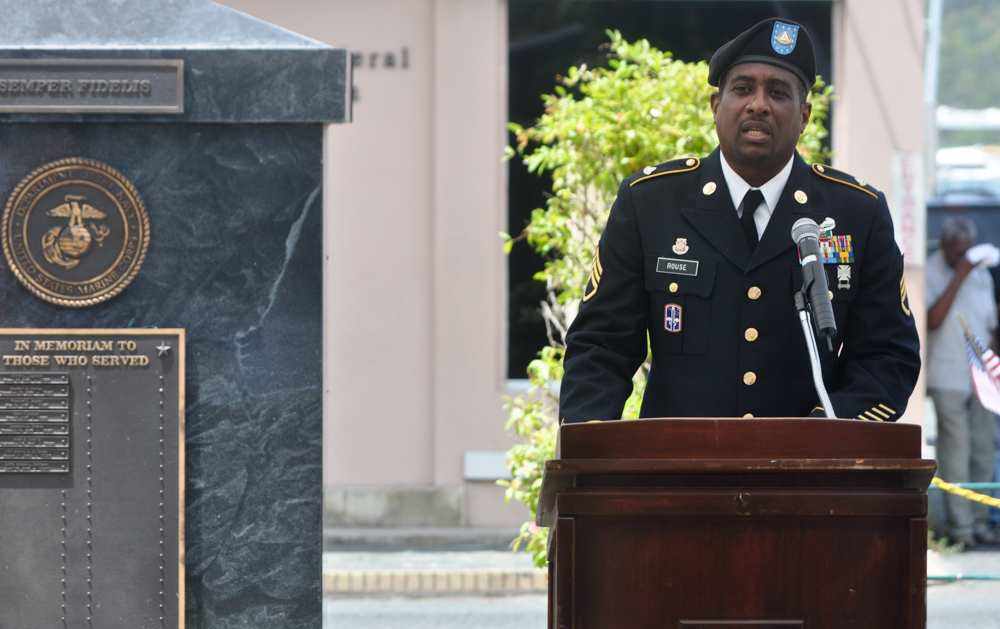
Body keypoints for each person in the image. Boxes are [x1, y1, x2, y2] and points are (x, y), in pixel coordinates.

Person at [558, 18, 920, 424]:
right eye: (743, 89)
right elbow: (600, 347)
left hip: (806, 478)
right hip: (678, 474)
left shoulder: (858, 213)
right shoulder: (650, 203)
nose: (758, 104)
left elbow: (887, 356)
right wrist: (587, 452)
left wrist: (826, 431)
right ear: (716, 107)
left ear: (804, 117)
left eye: (778, 93)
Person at [926, 217, 1000, 547]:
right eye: (958, 253)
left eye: (968, 252)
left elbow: (991, 326)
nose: (964, 259)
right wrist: (958, 277)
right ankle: (961, 530)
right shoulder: (930, 271)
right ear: (943, 247)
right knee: (956, 454)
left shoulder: (981, 273)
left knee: (983, 452)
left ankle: (980, 521)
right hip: (948, 375)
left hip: (982, 378)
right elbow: (933, 319)